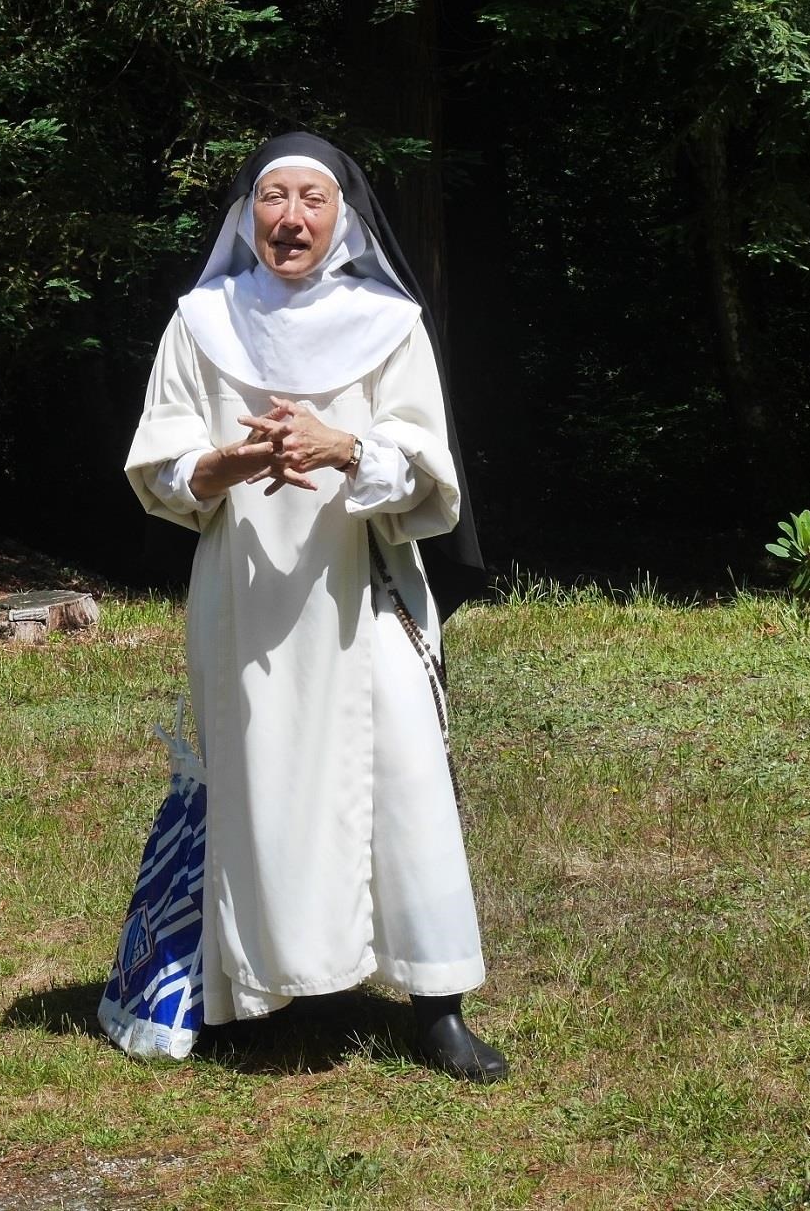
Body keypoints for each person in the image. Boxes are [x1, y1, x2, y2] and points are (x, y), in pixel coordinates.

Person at [119, 133, 506, 1080]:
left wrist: (343, 448)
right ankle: (263, 990)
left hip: (359, 586)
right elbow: (159, 460)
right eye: (272, 200)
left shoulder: (389, 322)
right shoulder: (201, 320)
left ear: (343, 218)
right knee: (261, 780)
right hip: (246, 587)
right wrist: (226, 462)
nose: (290, 219)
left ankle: (437, 1003)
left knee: (405, 774)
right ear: (247, 215)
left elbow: (429, 470)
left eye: (312, 201)